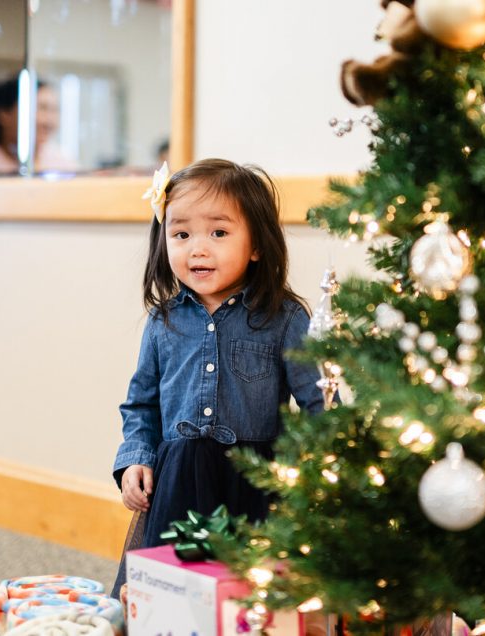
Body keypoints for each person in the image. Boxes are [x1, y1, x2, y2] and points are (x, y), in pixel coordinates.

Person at [110, 158, 324, 596]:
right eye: (181, 234)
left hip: (255, 483)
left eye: (219, 233)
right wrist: (135, 457)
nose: (197, 249)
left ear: (257, 245)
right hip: (177, 481)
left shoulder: (283, 318)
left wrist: (319, 471)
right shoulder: (163, 321)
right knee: (171, 590)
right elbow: (141, 404)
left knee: (248, 594)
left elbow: (318, 399)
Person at [0, 77, 78, 175]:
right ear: (4, 114)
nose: (50, 121)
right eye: (42, 108)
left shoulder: (62, 163)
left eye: (54, 110)